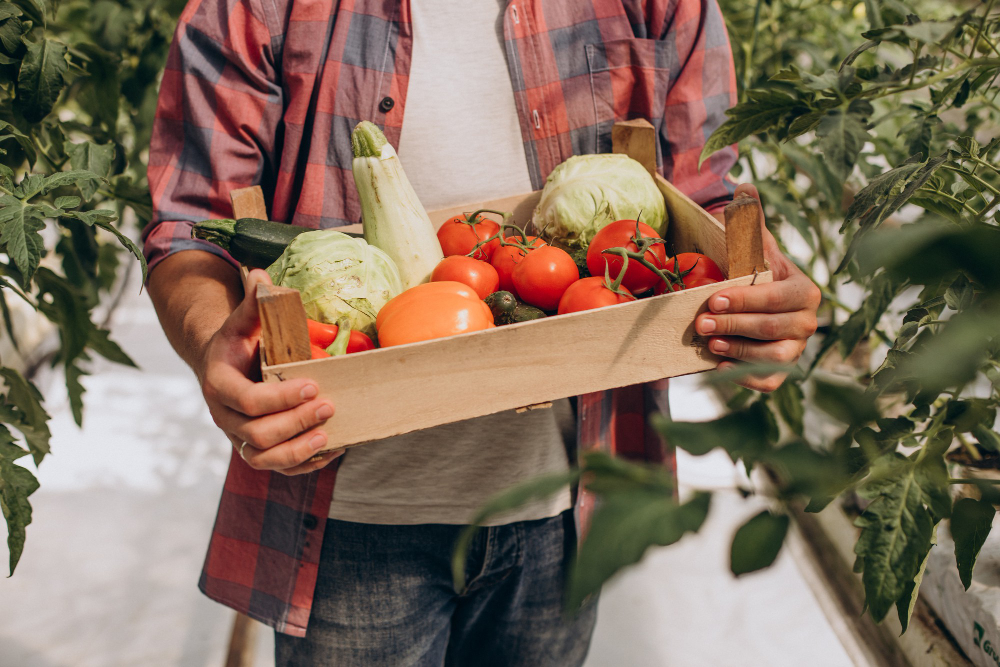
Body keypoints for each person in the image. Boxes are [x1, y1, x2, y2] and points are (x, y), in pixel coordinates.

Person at [144, 0, 821, 664]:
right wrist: (213, 344)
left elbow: (701, 203)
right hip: (348, 518)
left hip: (564, 500)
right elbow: (188, 227)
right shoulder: (257, 8)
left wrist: (763, 292)